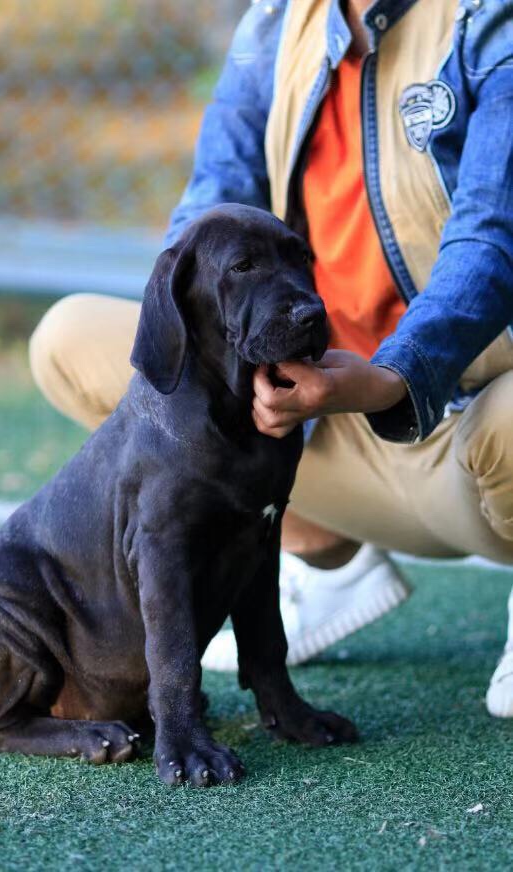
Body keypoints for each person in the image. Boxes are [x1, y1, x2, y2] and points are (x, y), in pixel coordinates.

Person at [29, 0, 513, 716]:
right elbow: (209, 217)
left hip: (462, 431)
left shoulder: (488, 21)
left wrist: (388, 377)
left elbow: (491, 244)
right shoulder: (278, 20)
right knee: (72, 339)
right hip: (316, 420)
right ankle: (323, 559)